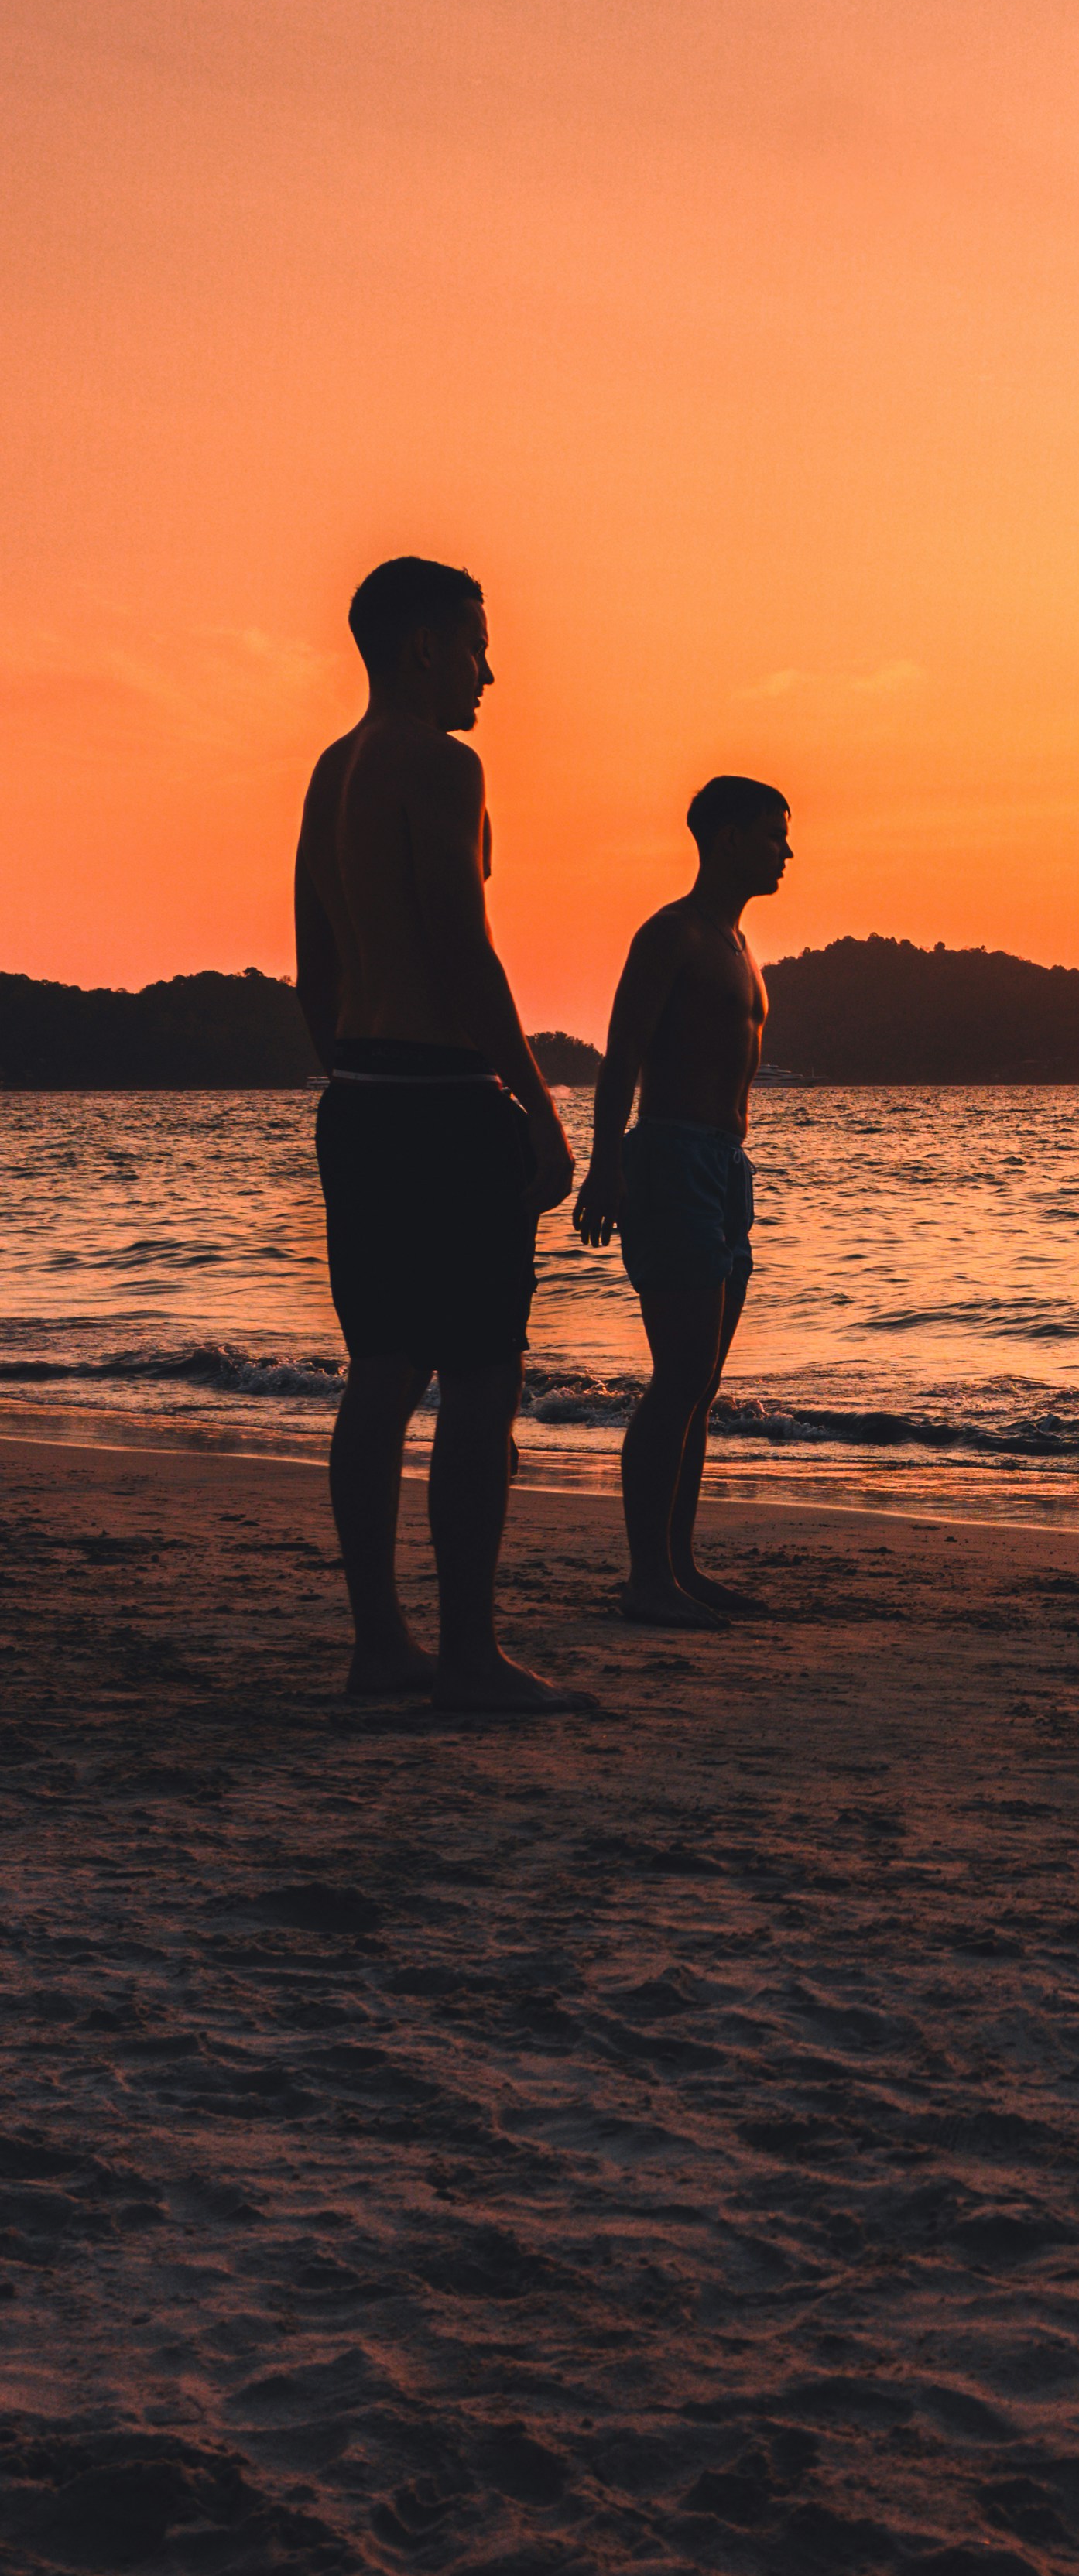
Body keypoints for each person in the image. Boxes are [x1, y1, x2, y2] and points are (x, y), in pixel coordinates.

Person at [293, 555, 582, 1714]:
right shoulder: (443, 764)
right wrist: (537, 1108)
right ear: (422, 646)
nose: (490, 671)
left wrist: (350, 1065)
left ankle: (380, 1645)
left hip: (359, 1094)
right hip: (440, 1098)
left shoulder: (333, 770)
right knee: (477, 1375)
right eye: (475, 644)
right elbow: (466, 952)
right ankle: (468, 1652)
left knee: (379, 1372)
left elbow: (315, 959)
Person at [573, 779, 792, 1625]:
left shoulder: (738, 942)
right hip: (668, 1158)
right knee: (678, 1377)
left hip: (725, 1167)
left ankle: (679, 1565)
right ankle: (646, 1579)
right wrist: (604, 1168)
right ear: (730, 838)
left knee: (701, 1384)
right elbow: (620, 1053)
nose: (787, 851)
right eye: (775, 835)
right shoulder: (672, 935)